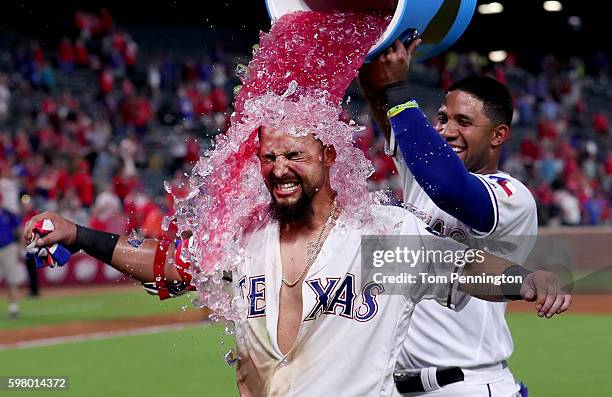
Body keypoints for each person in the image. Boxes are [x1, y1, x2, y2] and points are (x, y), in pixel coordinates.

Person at [25, 126, 569, 396]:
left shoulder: (375, 236)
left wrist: (530, 281)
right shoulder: (242, 240)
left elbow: (466, 270)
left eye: (295, 156)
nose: (280, 168)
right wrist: (78, 236)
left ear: (328, 159)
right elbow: (166, 264)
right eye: (269, 156)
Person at [360, 40, 539, 395]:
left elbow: (451, 190)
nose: (447, 130)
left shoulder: (511, 196)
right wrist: (374, 56)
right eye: (442, 117)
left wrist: (397, 88)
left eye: (464, 121)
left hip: (468, 384)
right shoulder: (423, 174)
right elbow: (384, 104)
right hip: (393, 385)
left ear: (498, 135)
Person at [1, 192, 22, 318]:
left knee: (11, 279)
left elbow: (19, 228)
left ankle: (14, 306)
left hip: (8, 248)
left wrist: (20, 245)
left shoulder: (8, 214)